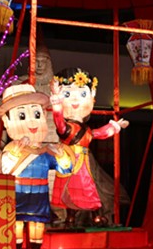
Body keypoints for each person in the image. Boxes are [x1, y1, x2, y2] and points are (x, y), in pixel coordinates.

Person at [0, 83, 72, 249]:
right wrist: (14, 154)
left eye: (36, 114)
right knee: (17, 221)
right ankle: (16, 248)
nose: (31, 122)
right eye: (22, 116)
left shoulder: (46, 151)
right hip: (18, 193)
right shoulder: (11, 149)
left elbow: (64, 169)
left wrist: (61, 155)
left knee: (37, 223)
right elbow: (3, 169)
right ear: (7, 122)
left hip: (39, 194)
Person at [50, 67, 128, 226]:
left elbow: (97, 133)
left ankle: (94, 216)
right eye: (67, 94)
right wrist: (57, 104)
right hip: (70, 163)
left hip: (83, 164)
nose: (75, 100)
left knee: (88, 189)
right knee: (72, 191)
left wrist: (114, 127)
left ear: (92, 97)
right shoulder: (68, 128)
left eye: (82, 94)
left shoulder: (85, 129)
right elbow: (59, 124)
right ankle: (73, 218)